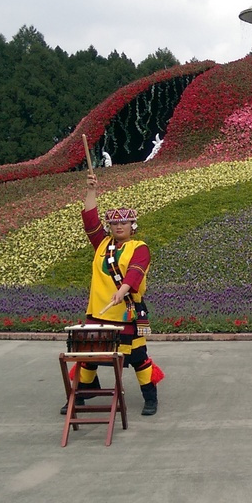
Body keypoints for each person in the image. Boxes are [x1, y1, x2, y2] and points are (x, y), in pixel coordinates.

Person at [62, 172, 163, 416]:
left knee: (138, 357)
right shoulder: (102, 245)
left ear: (132, 226)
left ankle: (150, 397)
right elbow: (89, 221)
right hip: (98, 312)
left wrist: (123, 290)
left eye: (124, 223)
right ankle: (82, 396)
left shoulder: (140, 247)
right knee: (88, 356)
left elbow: (136, 272)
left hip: (127, 312)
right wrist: (91, 190)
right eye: (115, 223)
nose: (119, 226)